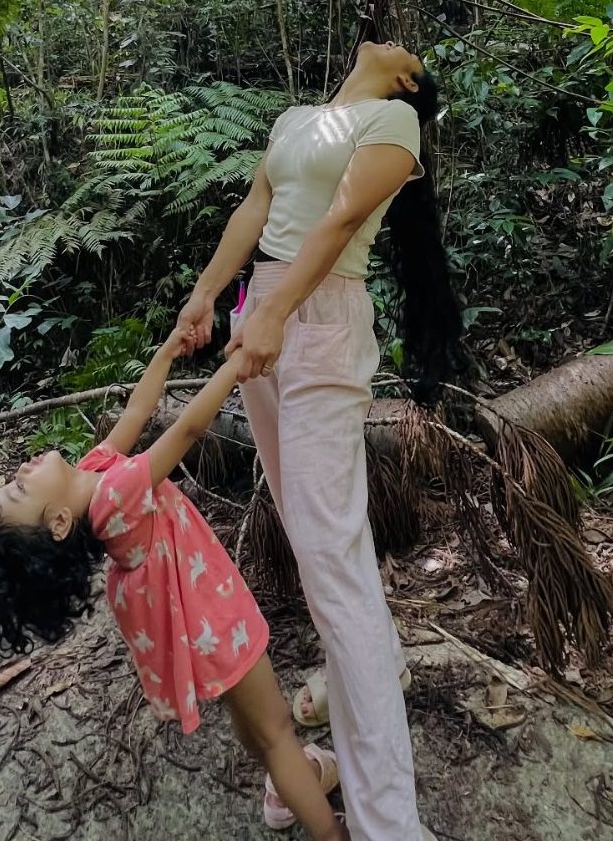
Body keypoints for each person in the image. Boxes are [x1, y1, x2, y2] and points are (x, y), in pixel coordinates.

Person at [177, 41, 463, 840]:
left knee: (331, 562)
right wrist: (207, 295)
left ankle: (388, 823)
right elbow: (254, 209)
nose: (394, 40)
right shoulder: (296, 118)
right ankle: (366, 687)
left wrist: (274, 313)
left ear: (404, 80)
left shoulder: (394, 121)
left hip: (320, 318)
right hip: (262, 315)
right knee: (317, 544)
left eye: (407, 52)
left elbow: (339, 219)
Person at [0, 329, 349, 840]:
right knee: (277, 729)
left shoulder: (95, 475)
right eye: (19, 489)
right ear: (58, 523)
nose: (21, 470)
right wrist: (234, 368)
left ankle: (286, 787)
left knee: (255, 721)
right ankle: (330, 831)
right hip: (215, 619)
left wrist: (166, 351)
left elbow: (137, 411)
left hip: (203, 623)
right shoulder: (115, 495)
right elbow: (187, 430)